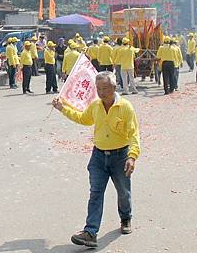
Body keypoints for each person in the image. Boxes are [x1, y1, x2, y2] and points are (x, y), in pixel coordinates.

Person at [52, 71, 140, 248]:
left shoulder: (125, 107)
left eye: (105, 88)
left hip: (120, 156)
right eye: (98, 89)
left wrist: (132, 156)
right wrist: (62, 108)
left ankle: (126, 218)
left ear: (114, 87)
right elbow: (83, 119)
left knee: (123, 192)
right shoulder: (96, 106)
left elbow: (133, 134)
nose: (101, 92)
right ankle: (90, 232)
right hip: (98, 157)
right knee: (96, 193)